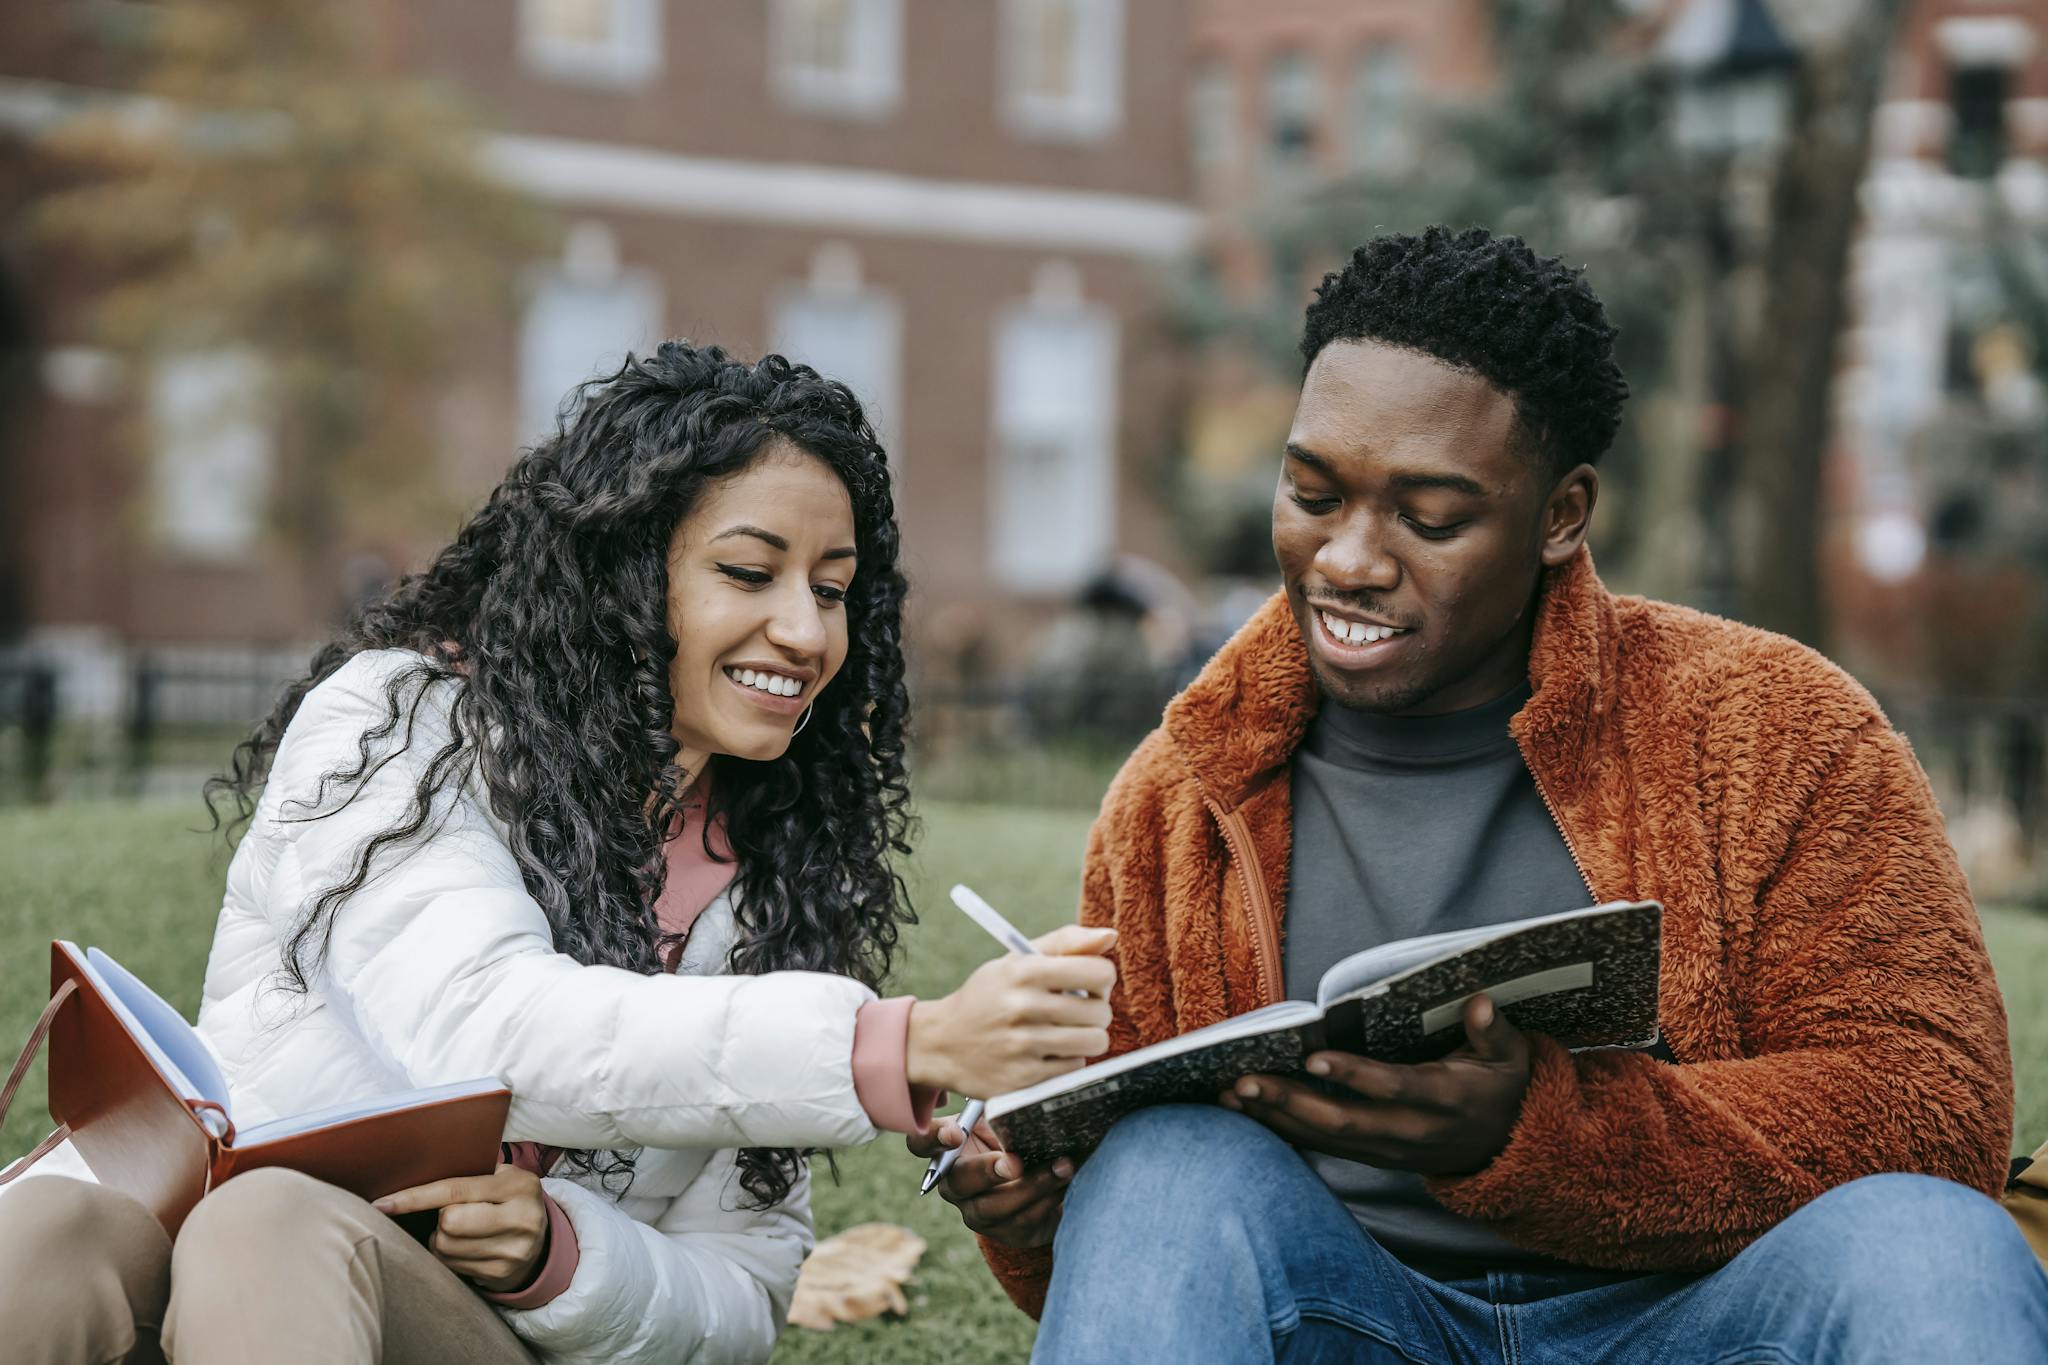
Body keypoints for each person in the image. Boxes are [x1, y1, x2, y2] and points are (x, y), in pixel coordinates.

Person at [915, 228, 2048, 1362]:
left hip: (1697, 1320)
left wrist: (1544, 1135)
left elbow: (1931, 1109)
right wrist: (1029, 1203)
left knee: (1932, 1243)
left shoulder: (1776, 731)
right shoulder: (1180, 792)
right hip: (1355, 1318)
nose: (1346, 559)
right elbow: (1145, 1266)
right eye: (1311, 493)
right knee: (1160, 1168)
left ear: (1560, 515)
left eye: (1430, 517)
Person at [0, 342, 1117, 1365]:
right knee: (51, 1227)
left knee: (271, 1220)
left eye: (830, 589)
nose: (807, 631)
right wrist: (901, 1044)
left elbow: (741, 1287)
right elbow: (482, 1027)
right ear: (622, 574)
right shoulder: (400, 728)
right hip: (196, 1253)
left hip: (435, 1322)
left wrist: (561, 1256)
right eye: (748, 572)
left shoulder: (772, 873)